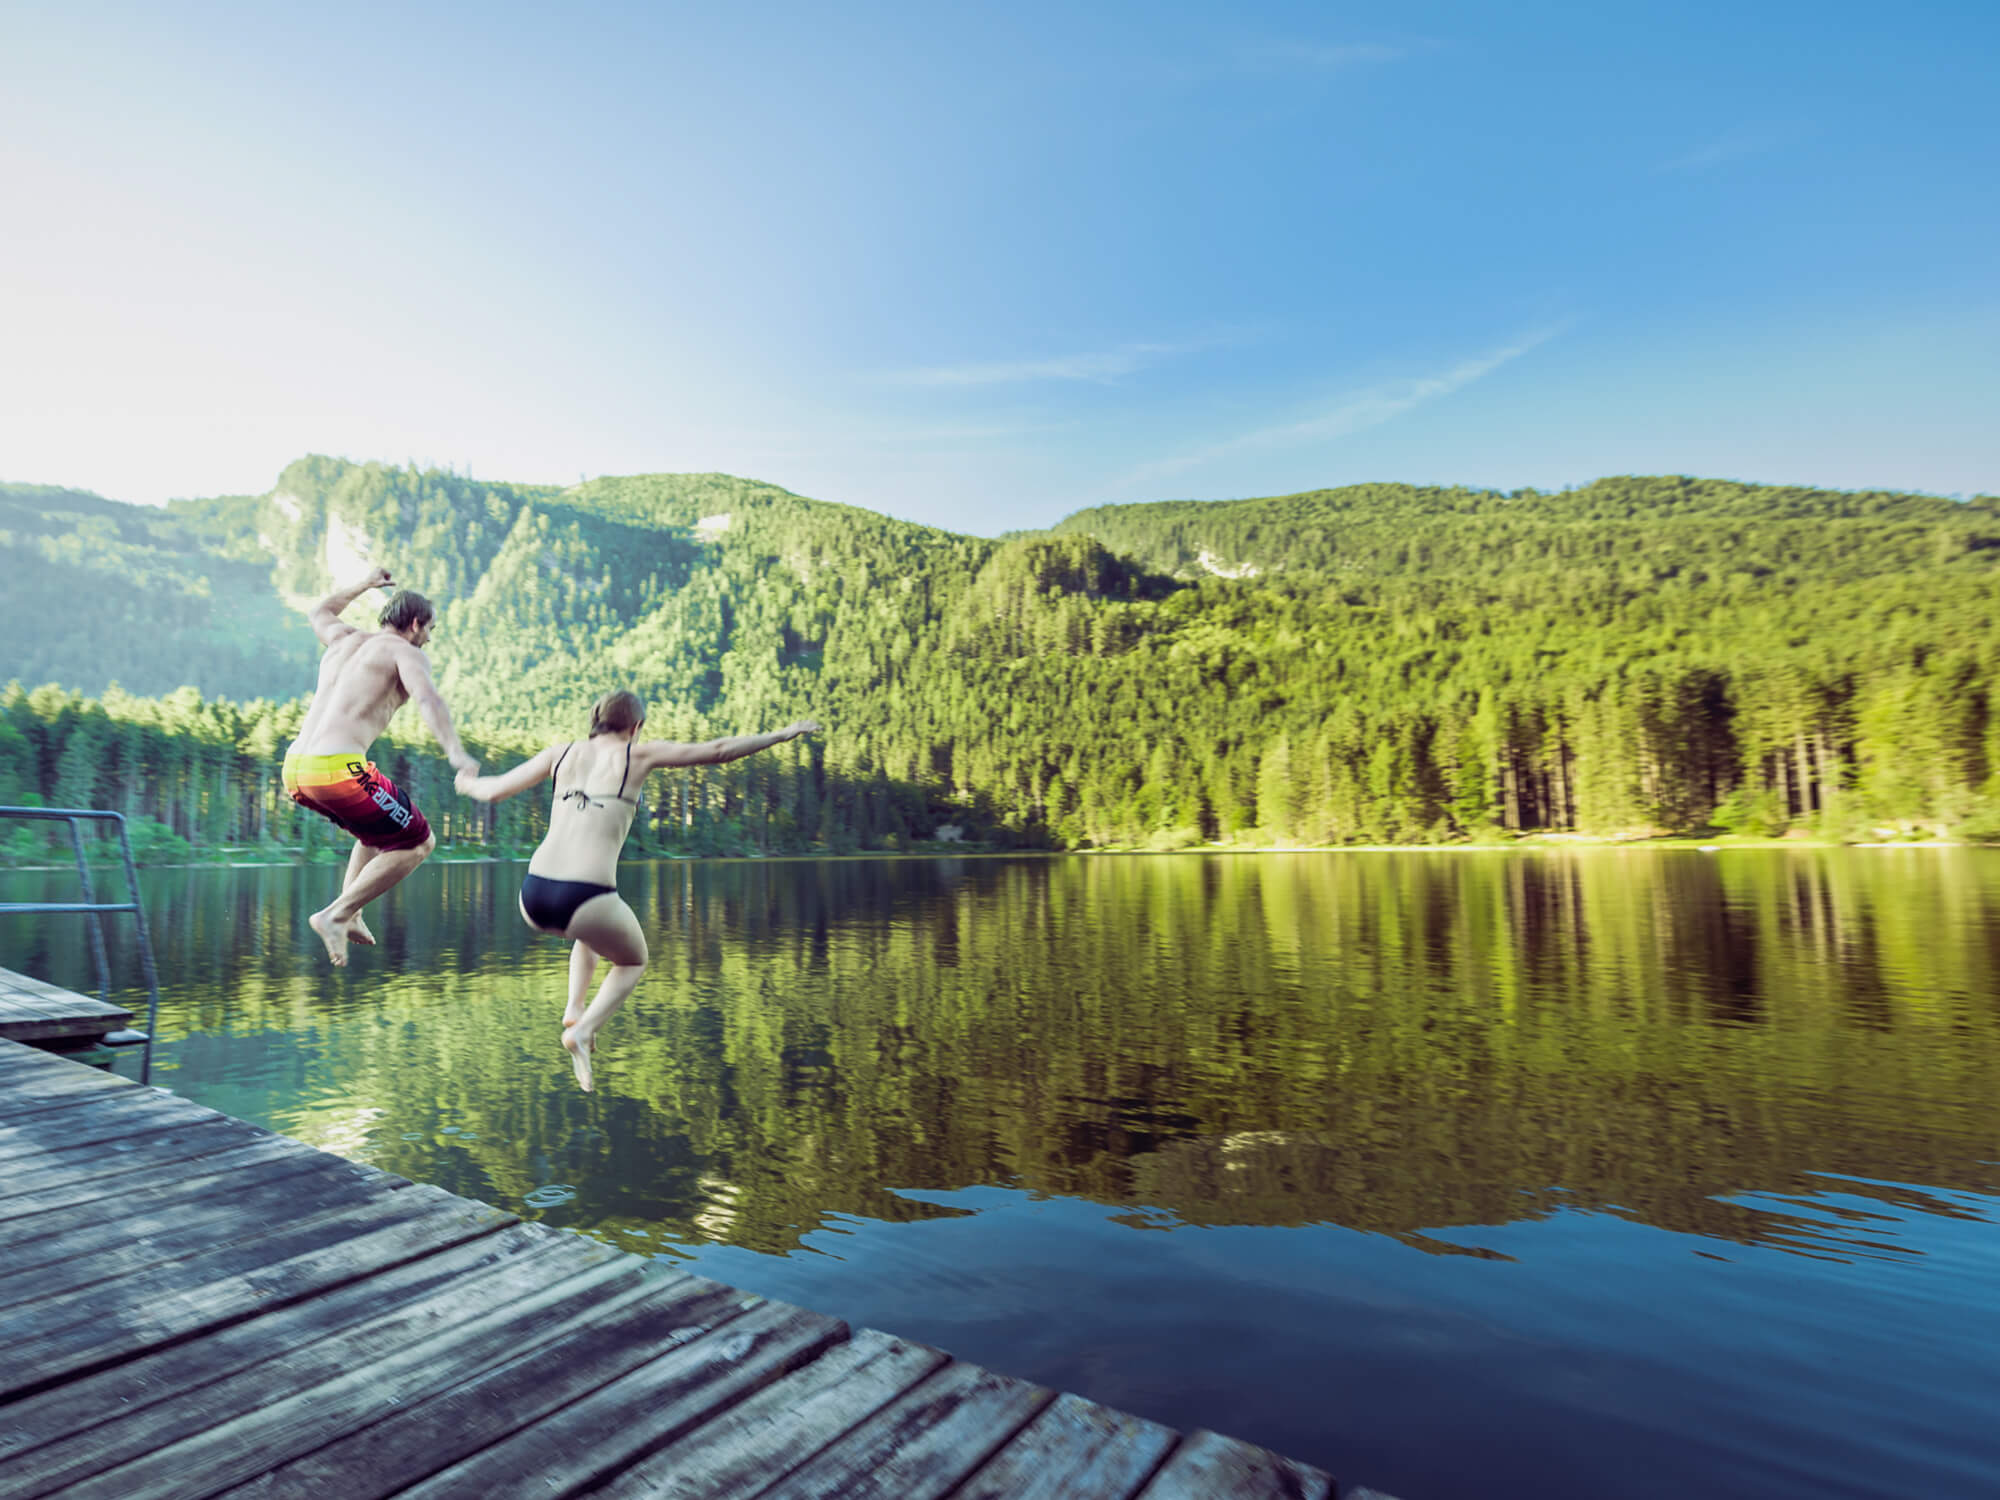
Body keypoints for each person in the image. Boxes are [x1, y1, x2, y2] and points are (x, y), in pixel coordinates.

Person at [454, 691, 819, 1091]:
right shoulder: (637, 755)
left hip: (533, 894)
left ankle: (575, 1009)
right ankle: (581, 1030)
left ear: (596, 721)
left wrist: (467, 783)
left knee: (591, 937)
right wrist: (783, 735)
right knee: (633, 961)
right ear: (636, 727)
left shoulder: (560, 753)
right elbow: (719, 751)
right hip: (585, 897)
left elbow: (493, 791)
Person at [282, 565, 478, 967]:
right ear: (416, 623)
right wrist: (456, 753)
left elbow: (319, 611)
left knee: (375, 832)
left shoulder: (342, 639)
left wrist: (364, 584)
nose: (429, 639)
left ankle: (351, 913)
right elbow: (429, 701)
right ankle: (334, 914)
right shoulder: (405, 653)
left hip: (296, 770)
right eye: (430, 630)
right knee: (419, 843)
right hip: (337, 769)